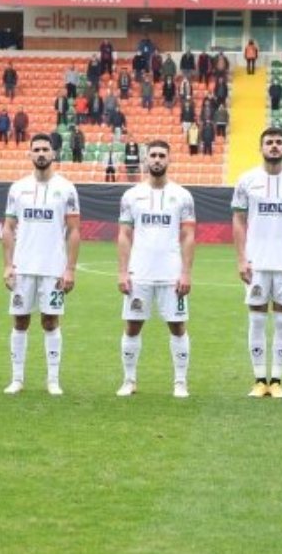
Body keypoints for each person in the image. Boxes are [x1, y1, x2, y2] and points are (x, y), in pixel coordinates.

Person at [232, 128, 282, 398]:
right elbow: (238, 221)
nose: (274, 146)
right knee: (256, 319)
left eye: (278, 142)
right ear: (261, 147)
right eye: (269, 142)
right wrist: (242, 258)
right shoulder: (246, 180)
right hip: (256, 262)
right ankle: (259, 380)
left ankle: (276, 381)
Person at [1, 134, 81, 396]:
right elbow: (9, 228)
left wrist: (70, 268)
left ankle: (53, 380)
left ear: (53, 154)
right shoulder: (18, 189)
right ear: (29, 154)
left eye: (45, 149)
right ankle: (17, 379)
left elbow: (74, 230)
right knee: (20, 321)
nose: (41, 153)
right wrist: (8, 265)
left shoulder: (66, 189)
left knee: (50, 321)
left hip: (53, 268)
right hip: (23, 267)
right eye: (36, 149)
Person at [115, 141, 195, 398]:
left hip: (171, 274)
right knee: (132, 326)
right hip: (139, 273)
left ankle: (180, 382)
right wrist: (123, 271)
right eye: (153, 155)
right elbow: (124, 234)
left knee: (178, 326)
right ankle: (129, 380)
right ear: (146, 160)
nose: (157, 160)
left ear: (169, 160)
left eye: (162, 155)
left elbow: (188, 235)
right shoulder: (131, 195)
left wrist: (186, 273)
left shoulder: (182, 196)